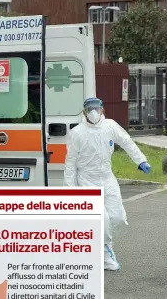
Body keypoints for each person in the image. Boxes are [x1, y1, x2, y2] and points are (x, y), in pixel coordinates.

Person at [64, 97, 150, 271]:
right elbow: (70, 163)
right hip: (87, 180)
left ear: (103, 109)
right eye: (90, 109)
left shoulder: (110, 126)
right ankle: (105, 256)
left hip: (107, 177)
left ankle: (96, 246)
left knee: (117, 217)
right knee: (101, 220)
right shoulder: (77, 133)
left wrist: (140, 160)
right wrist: (70, 190)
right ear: (84, 112)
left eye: (96, 108)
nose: (93, 112)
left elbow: (126, 141)